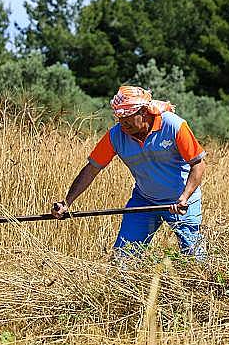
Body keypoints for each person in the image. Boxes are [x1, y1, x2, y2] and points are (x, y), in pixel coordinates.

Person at [51, 85, 207, 259]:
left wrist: (184, 197)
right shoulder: (115, 136)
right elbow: (91, 170)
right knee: (123, 259)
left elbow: (198, 164)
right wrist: (67, 202)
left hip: (181, 202)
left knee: (195, 258)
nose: (123, 123)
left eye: (128, 118)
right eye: (120, 118)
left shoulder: (174, 125)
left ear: (144, 112)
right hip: (144, 201)